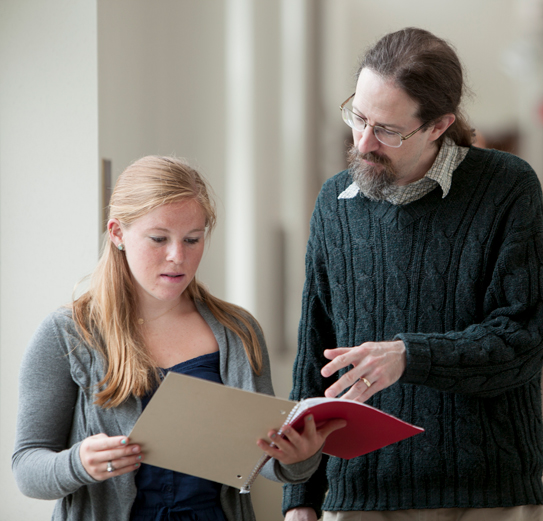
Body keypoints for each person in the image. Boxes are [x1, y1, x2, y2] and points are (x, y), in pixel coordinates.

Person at [283, 27, 543, 521]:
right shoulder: (334, 205)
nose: (362, 141)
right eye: (357, 116)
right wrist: (301, 499)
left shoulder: (508, 188)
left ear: (438, 125)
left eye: (386, 129)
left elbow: (524, 340)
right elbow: (316, 349)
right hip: (359, 495)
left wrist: (409, 355)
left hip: (487, 495)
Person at [12, 155, 345, 521]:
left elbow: (260, 461)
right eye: (158, 238)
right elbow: (27, 468)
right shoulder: (67, 333)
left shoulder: (238, 330)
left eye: (192, 239)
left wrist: (297, 458)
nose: (178, 257)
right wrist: (79, 463)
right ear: (117, 233)